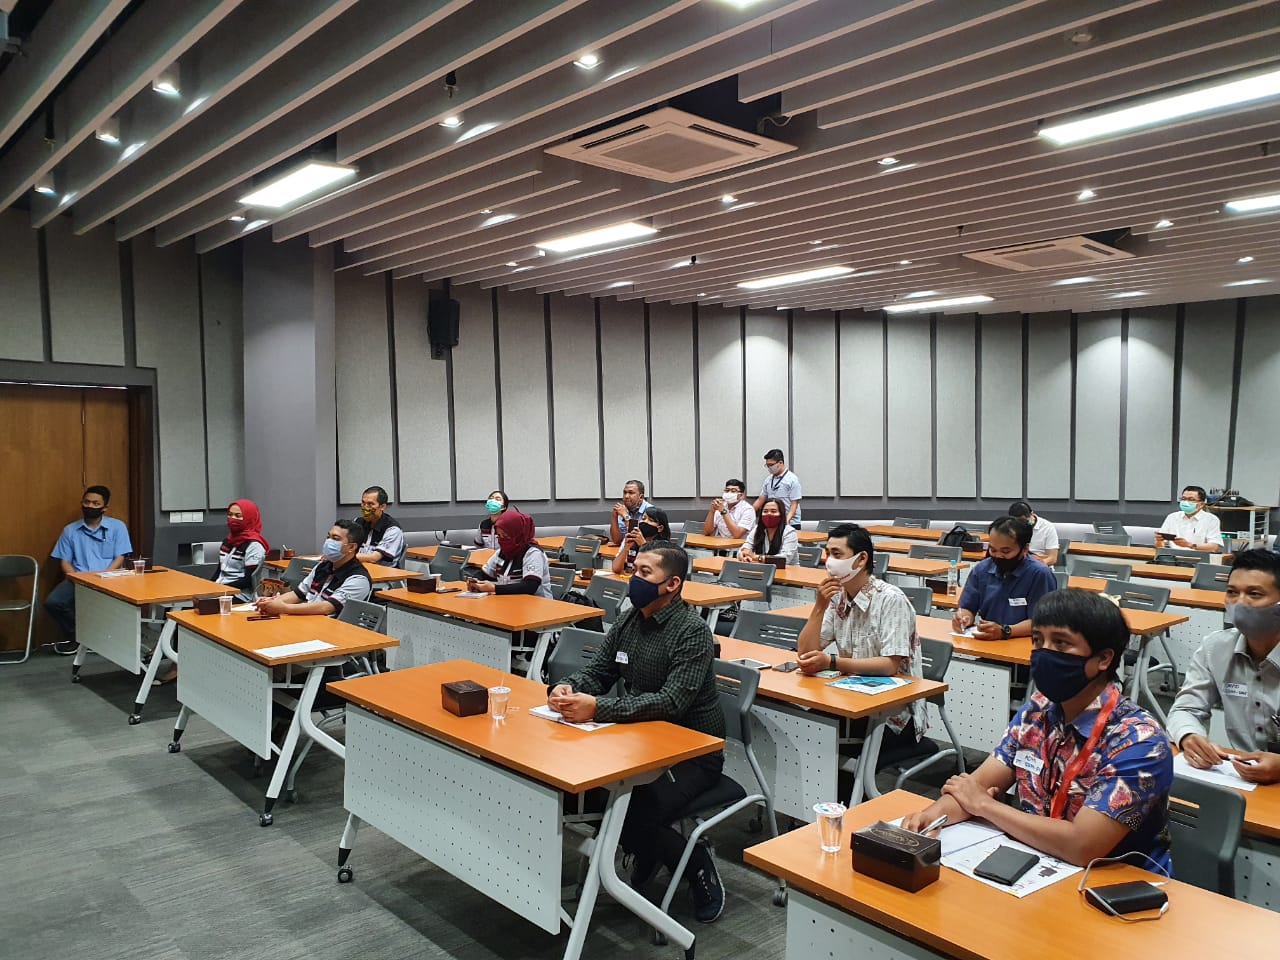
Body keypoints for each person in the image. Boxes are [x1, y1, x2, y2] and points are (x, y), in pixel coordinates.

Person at [903, 590, 1174, 870]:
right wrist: (931, 817)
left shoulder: (1139, 740)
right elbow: (977, 786)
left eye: (1061, 643)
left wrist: (985, 806)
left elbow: (1082, 847)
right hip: (1037, 861)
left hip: (1113, 881)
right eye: (1037, 641)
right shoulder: (1038, 709)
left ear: (1103, 659)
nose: (1044, 652)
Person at [548, 542, 727, 922]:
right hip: (638, 741)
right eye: (635, 570)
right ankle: (649, 851)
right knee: (587, 790)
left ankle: (696, 864)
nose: (635, 579)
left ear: (672, 584)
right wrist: (568, 687)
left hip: (691, 752)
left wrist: (598, 708)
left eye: (646, 573)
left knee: (632, 809)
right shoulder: (631, 618)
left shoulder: (692, 632)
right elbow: (599, 670)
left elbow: (672, 702)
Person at [796, 523, 927, 746]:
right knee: (805, 726)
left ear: (861, 559)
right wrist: (819, 607)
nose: (829, 561)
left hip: (890, 716)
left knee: (815, 736)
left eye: (837, 554)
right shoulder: (837, 597)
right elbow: (806, 652)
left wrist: (832, 662)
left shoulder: (890, 599)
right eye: (827, 554)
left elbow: (889, 665)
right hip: (849, 699)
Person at [1168, 548, 1280, 785]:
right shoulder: (1216, 648)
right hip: (1243, 779)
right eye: (1232, 592)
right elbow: (1185, 709)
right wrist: (1189, 735)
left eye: (1254, 594)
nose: (1239, 603)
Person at [44, 485, 133, 655]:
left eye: (95, 503)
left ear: (105, 507)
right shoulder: (70, 530)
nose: (90, 506)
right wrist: (77, 579)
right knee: (53, 602)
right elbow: (65, 561)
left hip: (110, 578)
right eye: (86, 502)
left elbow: (120, 557)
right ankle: (79, 637)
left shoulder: (118, 527)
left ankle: (110, 637)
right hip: (78, 579)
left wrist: (104, 576)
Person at [952, 515, 1058, 641]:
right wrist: (964, 618)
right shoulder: (982, 570)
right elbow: (968, 606)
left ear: (1025, 549)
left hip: (1026, 644)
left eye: (1006, 552)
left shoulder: (1040, 574)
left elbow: (1042, 622)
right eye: (993, 550)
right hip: (989, 642)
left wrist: (1005, 631)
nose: (998, 556)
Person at [255, 520, 371, 616]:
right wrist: (271, 602)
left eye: (335, 539)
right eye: (328, 537)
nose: (329, 541)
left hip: (334, 629)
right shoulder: (322, 566)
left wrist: (284, 608)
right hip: (310, 621)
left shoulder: (358, 579)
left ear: (351, 547)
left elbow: (327, 608)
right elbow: (298, 594)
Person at [466, 509, 552, 599]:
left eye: (506, 536)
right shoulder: (501, 552)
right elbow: (484, 574)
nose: (502, 540)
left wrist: (494, 588)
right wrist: (475, 581)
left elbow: (530, 586)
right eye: (499, 536)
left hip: (538, 604)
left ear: (517, 534)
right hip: (510, 601)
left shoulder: (533, 553)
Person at [217, 500, 270, 599]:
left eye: (238, 516)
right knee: (194, 602)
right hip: (220, 590)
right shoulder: (228, 541)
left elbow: (249, 580)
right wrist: (208, 587)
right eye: (230, 514)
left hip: (240, 595)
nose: (232, 519)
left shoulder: (254, 545)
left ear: (249, 519)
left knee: (204, 607)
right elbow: (219, 572)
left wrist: (221, 588)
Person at [1157, 484, 1221, 553]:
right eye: (1183, 499)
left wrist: (1190, 545)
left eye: (1191, 499)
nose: (1186, 502)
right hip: (1173, 556)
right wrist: (1159, 541)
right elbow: (1159, 546)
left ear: (1201, 504)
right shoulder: (1172, 517)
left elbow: (1214, 547)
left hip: (1199, 557)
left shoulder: (1211, 520)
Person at [354, 485, 405, 567]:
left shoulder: (393, 530)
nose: (365, 507)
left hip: (384, 572)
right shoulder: (357, 522)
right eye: (363, 503)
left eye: (370, 504)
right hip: (359, 568)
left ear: (382, 507)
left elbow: (374, 558)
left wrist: (344, 557)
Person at [611, 507, 671, 575]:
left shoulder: (665, 547)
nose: (645, 522)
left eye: (651, 520)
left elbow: (658, 570)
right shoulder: (632, 538)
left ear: (660, 528)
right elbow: (616, 568)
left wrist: (643, 544)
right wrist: (626, 547)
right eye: (643, 518)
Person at [738, 498, 799, 565]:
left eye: (773, 511)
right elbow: (743, 549)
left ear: (781, 514)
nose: (769, 514)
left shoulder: (790, 532)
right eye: (765, 511)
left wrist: (757, 557)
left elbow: (785, 559)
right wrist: (743, 554)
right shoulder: (757, 529)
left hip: (788, 570)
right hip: (762, 569)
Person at [752, 449, 802, 528]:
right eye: (767, 465)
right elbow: (760, 500)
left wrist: (786, 522)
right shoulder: (768, 480)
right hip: (772, 521)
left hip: (790, 523)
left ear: (780, 463)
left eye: (771, 465)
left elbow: (794, 504)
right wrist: (749, 513)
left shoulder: (792, 480)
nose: (769, 468)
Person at [1008, 500, 1059, 566]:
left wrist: (1035, 566)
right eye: (1017, 522)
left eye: (1024, 521)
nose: (1021, 525)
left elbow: (1052, 558)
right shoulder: (1010, 526)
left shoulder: (1048, 527)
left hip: (1040, 565)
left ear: (1032, 514)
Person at [608, 479, 653, 546]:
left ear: (641, 497)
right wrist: (614, 516)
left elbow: (638, 538)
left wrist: (625, 516)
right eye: (625, 492)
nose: (626, 496)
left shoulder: (650, 510)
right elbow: (617, 540)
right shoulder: (623, 510)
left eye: (631, 493)